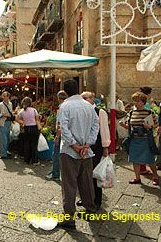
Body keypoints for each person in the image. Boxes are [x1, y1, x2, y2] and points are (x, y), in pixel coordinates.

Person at [57, 79, 99, 229]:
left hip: (70, 151)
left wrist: (74, 145)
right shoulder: (88, 106)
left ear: (65, 90)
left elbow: (64, 128)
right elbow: (96, 125)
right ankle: (91, 210)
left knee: (69, 185)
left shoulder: (65, 106)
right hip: (86, 151)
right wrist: (88, 144)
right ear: (78, 88)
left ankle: (69, 219)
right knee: (86, 182)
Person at [79, 92, 111, 210]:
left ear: (92, 99)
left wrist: (105, 146)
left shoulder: (100, 112)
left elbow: (104, 129)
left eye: (84, 98)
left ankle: (96, 200)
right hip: (83, 145)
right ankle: (86, 198)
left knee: (95, 174)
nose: (82, 100)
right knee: (83, 174)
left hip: (96, 145)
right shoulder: (82, 111)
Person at [121, 92, 159, 185]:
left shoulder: (148, 112)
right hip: (134, 139)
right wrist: (123, 125)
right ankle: (137, 178)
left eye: (137, 101)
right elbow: (129, 127)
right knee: (134, 159)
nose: (135, 103)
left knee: (149, 159)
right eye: (134, 101)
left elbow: (156, 124)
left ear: (143, 102)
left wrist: (149, 126)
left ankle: (155, 176)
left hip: (146, 139)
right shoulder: (132, 112)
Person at [46, 90, 66, 181]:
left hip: (61, 134)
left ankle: (55, 174)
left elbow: (59, 124)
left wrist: (57, 137)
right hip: (67, 134)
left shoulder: (62, 107)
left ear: (58, 98)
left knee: (56, 154)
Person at [16, 97, 40, 165]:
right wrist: (39, 128)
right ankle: (34, 161)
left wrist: (22, 123)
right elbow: (37, 120)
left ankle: (27, 159)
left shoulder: (22, 111)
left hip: (26, 128)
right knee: (34, 145)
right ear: (30, 103)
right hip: (34, 128)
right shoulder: (34, 110)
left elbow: (17, 118)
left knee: (27, 144)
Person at [0, 92, 14, 159]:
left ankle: (6, 151)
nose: (5, 97)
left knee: (8, 138)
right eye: (4, 96)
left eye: (6, 96)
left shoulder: (10, 104)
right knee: (3, 139)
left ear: (8, 97)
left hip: (9, 123)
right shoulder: (0, 105)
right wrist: (3, 115)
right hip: (2, 123)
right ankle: (3, 154)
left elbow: (11, 112)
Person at [139, 86, 153, 175]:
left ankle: (142, 167)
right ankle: (143, 168)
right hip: (144, 130)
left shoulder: (139, 101)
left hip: (138, 130)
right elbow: (149, 118)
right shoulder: (146, 104)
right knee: (145, 150)